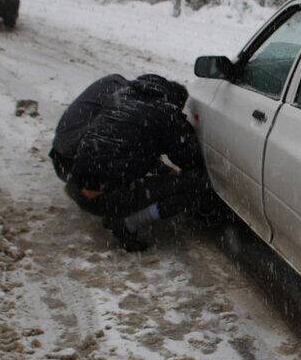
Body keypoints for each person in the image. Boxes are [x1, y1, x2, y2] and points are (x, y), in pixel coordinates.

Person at [67, 74, 211, 251]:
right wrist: (182, 128)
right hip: (105, 196)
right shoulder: (165, 111)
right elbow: (189, 159)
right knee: (198, 183)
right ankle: (126, 223)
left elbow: (126, 148)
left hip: (76, 186)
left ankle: (111, 204)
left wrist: (162, 169)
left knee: (153, 175)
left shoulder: (123, 96)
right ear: (177, 101)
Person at [49, 74, 129, 183]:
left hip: (60, 157)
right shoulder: (123, 96)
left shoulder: (111, 83)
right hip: (74, 164)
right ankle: (90, 191)